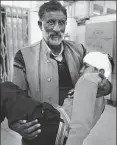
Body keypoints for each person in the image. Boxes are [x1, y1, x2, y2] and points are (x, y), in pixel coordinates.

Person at [11, 1, 112, 144]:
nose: (57, 29)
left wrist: (106, 86)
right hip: (39, 130)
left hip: (70, 130)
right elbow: (16, 97)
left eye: (62, 23)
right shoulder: (24, 56)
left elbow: (98, 75)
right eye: (51, 23)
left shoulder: (79, 50)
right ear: (40, 25)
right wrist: (16, 123)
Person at [0, 52, 113, 145]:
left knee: (6, 89)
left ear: (101, 72)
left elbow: (81, 124)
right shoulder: (101, 101)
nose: (81, 70)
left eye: (86, 66)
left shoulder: (89, 79)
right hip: (58, 131)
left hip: (57, 123)